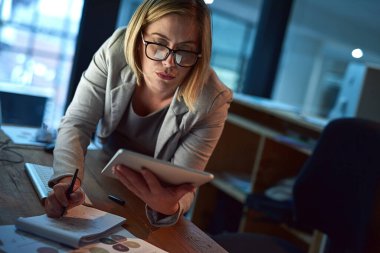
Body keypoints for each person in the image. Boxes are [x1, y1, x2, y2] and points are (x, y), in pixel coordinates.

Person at [45, 0, 232, 227]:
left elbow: (184, 184)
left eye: (185, 50)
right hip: (104, 169)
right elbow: (78, 122)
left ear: (200, 53)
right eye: (158, 44)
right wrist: (67, 181)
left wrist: (169, 208)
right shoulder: (116, 51)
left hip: (153, 198)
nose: (169, 62)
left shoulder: (213, 100)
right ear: (139, 36)